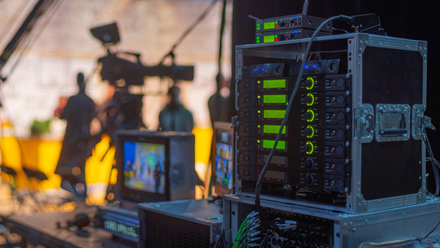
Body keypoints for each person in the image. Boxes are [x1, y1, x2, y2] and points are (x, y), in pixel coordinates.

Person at [55, 72, 96, 201]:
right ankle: (81, 195)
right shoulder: (90, 101)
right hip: (83, 141)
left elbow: (63, 116)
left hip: (72, 142)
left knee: (68, 169)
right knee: (80, 169)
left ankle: (77, 194)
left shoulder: (73, 100)